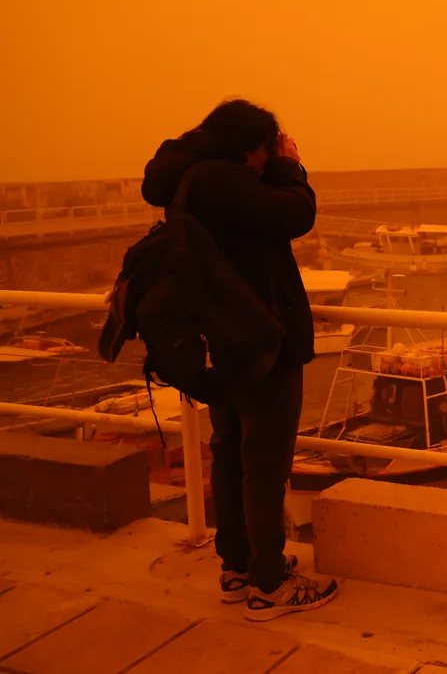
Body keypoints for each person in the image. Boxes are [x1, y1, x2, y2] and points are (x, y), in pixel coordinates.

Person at [141, 98, 338, 621]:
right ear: (250, 147)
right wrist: (291, 165)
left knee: (230, 453)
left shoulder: (189, 181)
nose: (267, 157)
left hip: (224, 340)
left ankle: (238, 567)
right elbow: (298, 214)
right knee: (264, 465)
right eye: (264, 147)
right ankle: (269, 585)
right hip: (260, 341)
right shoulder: (224, 182)